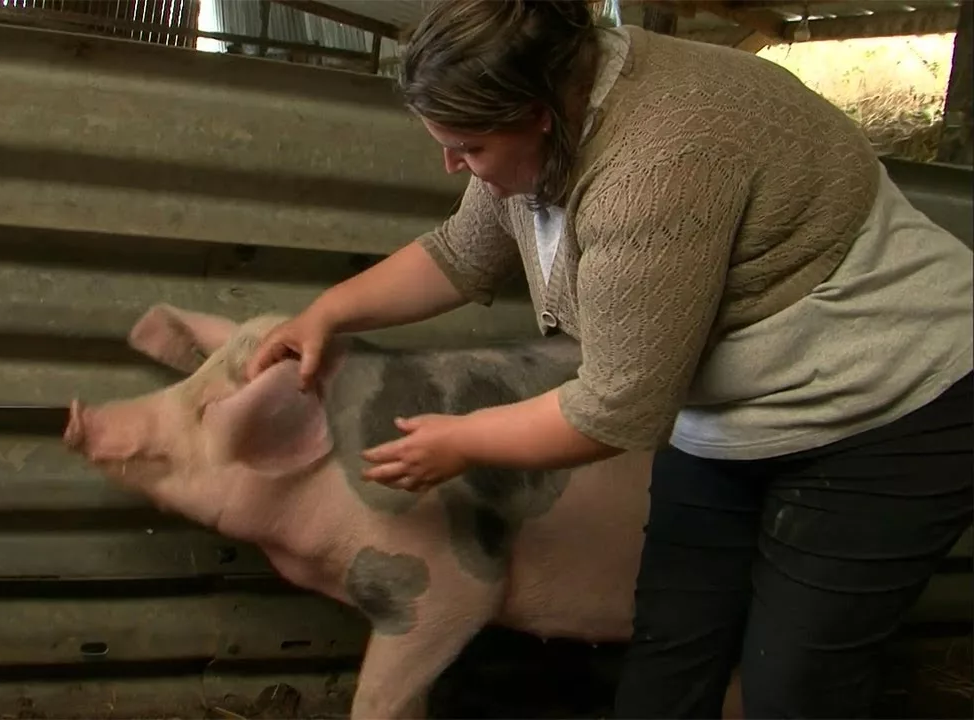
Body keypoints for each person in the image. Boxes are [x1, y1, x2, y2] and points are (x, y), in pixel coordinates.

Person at [245, 0, 973, 717]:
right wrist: (324, 313)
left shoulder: (653, 170)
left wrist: (460, 440)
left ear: (533, 112)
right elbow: (466, 249)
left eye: (468, 148)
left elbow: (612, 411)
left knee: (794, 683)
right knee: (670, 652)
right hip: (740, 409)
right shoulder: (555, 97)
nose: (452, 166)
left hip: (891, 403)